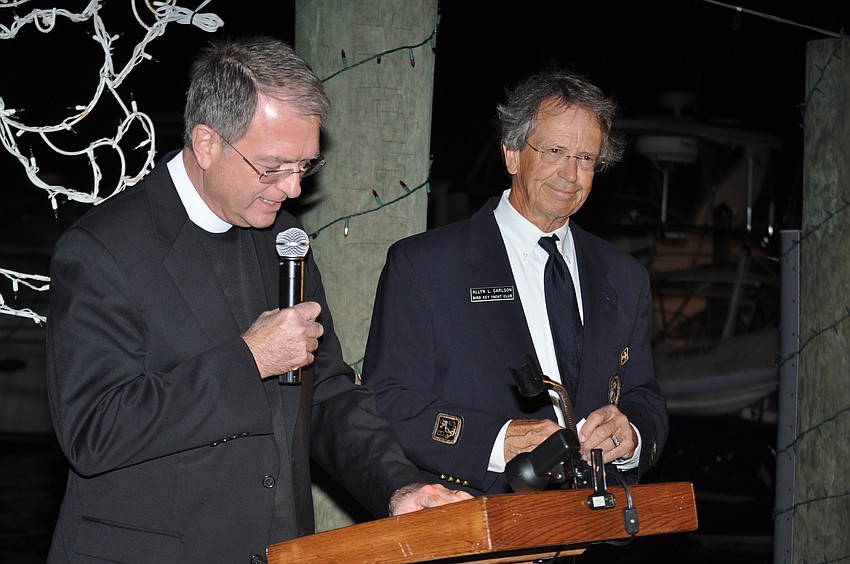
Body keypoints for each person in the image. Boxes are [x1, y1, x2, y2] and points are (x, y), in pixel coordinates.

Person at [45, 35, 471, 564]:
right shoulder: (103, 250)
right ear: (206, 144)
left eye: (304, 166)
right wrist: (249, 361)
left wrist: (398, 487)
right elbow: (94, 431)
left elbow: (328, 394)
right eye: (273, 166)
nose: (293, 188)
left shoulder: (282, 241)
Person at [361, 70, 669, 497]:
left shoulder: (624, 275)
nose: (570, 174)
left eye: (585, 159)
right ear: (511, 154)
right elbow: (388, 403)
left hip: (595, 528)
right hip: (477, 519)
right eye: (555, 151)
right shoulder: (424, 266)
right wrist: (495, 440)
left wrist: (631, 432)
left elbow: (644, 396)